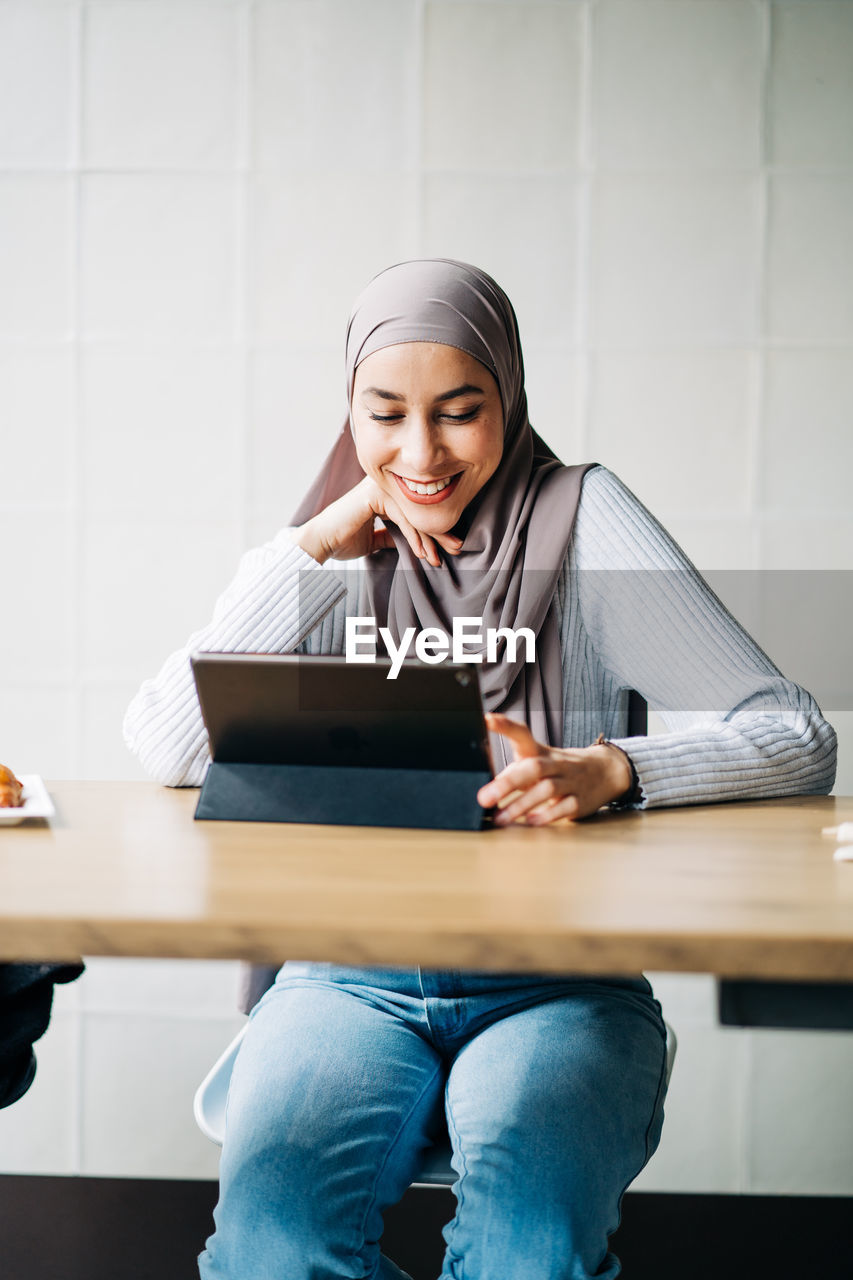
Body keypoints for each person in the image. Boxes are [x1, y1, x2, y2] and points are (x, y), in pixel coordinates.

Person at [124, 259, 836, 1280]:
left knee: (526, 1256)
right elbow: (166, 744)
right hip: (344, 974)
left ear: (509, 392)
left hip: (557, 979)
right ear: (350, 412)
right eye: (385, 413)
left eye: (460, 411)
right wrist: (308, 555)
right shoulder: (330, 548)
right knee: (270, 1251)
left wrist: (610, 768)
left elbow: (795, 733)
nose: (420, 452)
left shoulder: (584, 520)